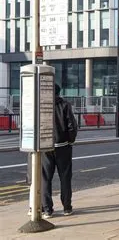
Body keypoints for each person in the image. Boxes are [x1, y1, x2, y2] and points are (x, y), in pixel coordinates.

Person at [42, 84, 78, 218]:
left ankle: (47, 209)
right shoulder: (65, 105)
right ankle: (67, 208)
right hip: (63, 146)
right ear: (59, 92)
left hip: (46, 147)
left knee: (45, 179)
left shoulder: (42, 105)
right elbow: (72, 126)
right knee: (65, 178)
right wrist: (70, 141)